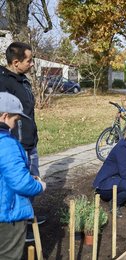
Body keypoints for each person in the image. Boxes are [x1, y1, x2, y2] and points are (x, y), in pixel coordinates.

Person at [0, 43, 45, 237]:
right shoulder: (4, 83)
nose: (33, 64)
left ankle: (27, 219)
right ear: (16, 62)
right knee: (20, 183)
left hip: (29, 141)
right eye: (29, 60)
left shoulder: (22, 80)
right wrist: (14, 143)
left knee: (31, 179)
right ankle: (19, 227)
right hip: (16, 144)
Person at [0, 92, 46, 259]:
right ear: (5, 116)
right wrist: (39, 186)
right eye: (15, 120)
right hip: (7, 214)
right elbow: (20, 183)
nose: (14, 126)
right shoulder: (6, 143)